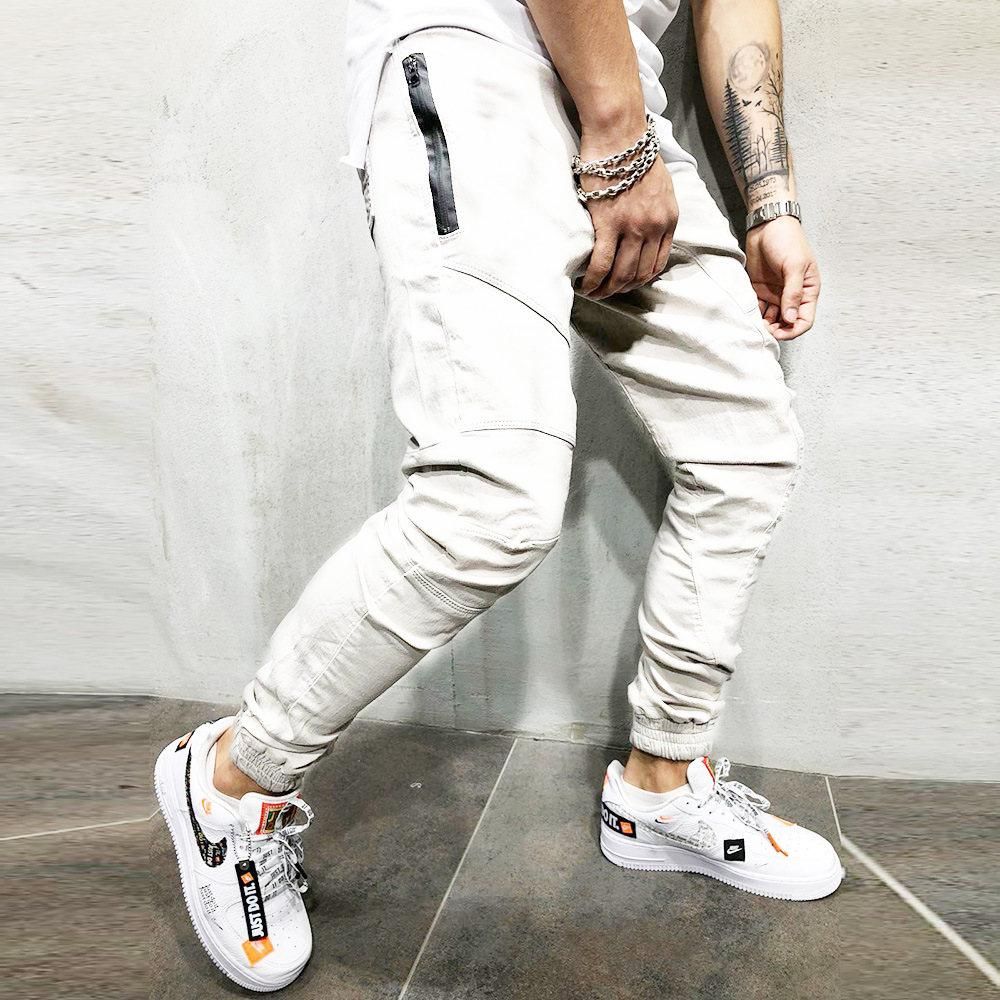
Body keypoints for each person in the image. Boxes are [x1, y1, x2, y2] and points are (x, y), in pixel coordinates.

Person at [154, 0, 844, 990]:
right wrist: (613, 136)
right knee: (493, 499)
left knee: (747, 447)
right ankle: (231, 777)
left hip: (629, 112)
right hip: (484, 60)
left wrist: (770, 205)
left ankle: (660, 784)